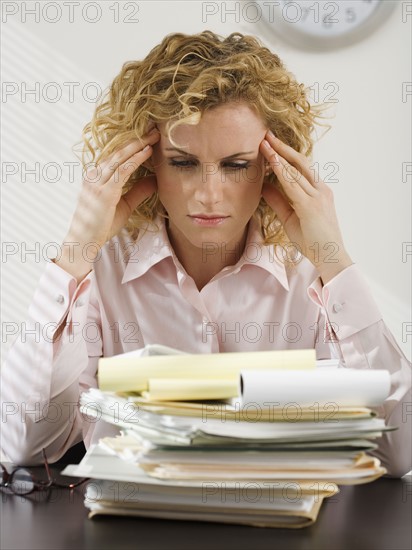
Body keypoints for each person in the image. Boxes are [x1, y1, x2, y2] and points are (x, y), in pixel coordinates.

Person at [1, 31, 411, 477]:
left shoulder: (310, 276)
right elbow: (21, 443)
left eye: (236, 165)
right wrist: (73, 253)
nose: (209, 195)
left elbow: (399, 453)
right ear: (148, 163)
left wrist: (335, 261)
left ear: (272, 168)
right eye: (183, 162)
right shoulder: (101, 270)